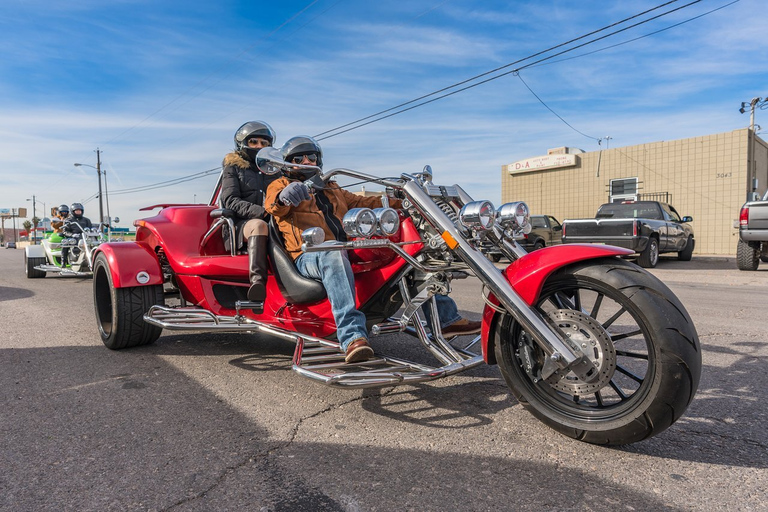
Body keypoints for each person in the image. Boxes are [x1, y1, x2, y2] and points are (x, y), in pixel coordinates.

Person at [265, 136, 479, 364]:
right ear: (288, 163)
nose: (307, 161)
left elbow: (365, 202)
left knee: (406, 253)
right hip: (307, 256)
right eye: (299, 158)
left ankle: (446, 319)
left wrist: (405, 199)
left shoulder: (331, 187)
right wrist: (284, 197)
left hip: (342, 249)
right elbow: (273, 204)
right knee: (332, 251)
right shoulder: (281, 185)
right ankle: (351, 337)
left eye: (312, 156)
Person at [219, 121, 280, 302]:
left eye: (264, 143)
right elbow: (229, 200)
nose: (259, 146)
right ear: (243, 143)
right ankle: (257, 283)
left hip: (274, 219)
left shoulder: (275, 169)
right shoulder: (233, 167)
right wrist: (262, 212)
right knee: (260, 226)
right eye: (254, 142)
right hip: (240, 225)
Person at [61, 202, 93, 267]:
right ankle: (63, 262)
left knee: (94, 244)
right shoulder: (68, 220)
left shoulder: (86, 220)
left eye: (80, 210)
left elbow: (90, 229)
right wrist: (72, 235)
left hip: (84, 236)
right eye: (77, 211)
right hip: (73, 237)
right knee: (65, 243)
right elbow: (65, 231)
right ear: (73, 211)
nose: (78, 212)